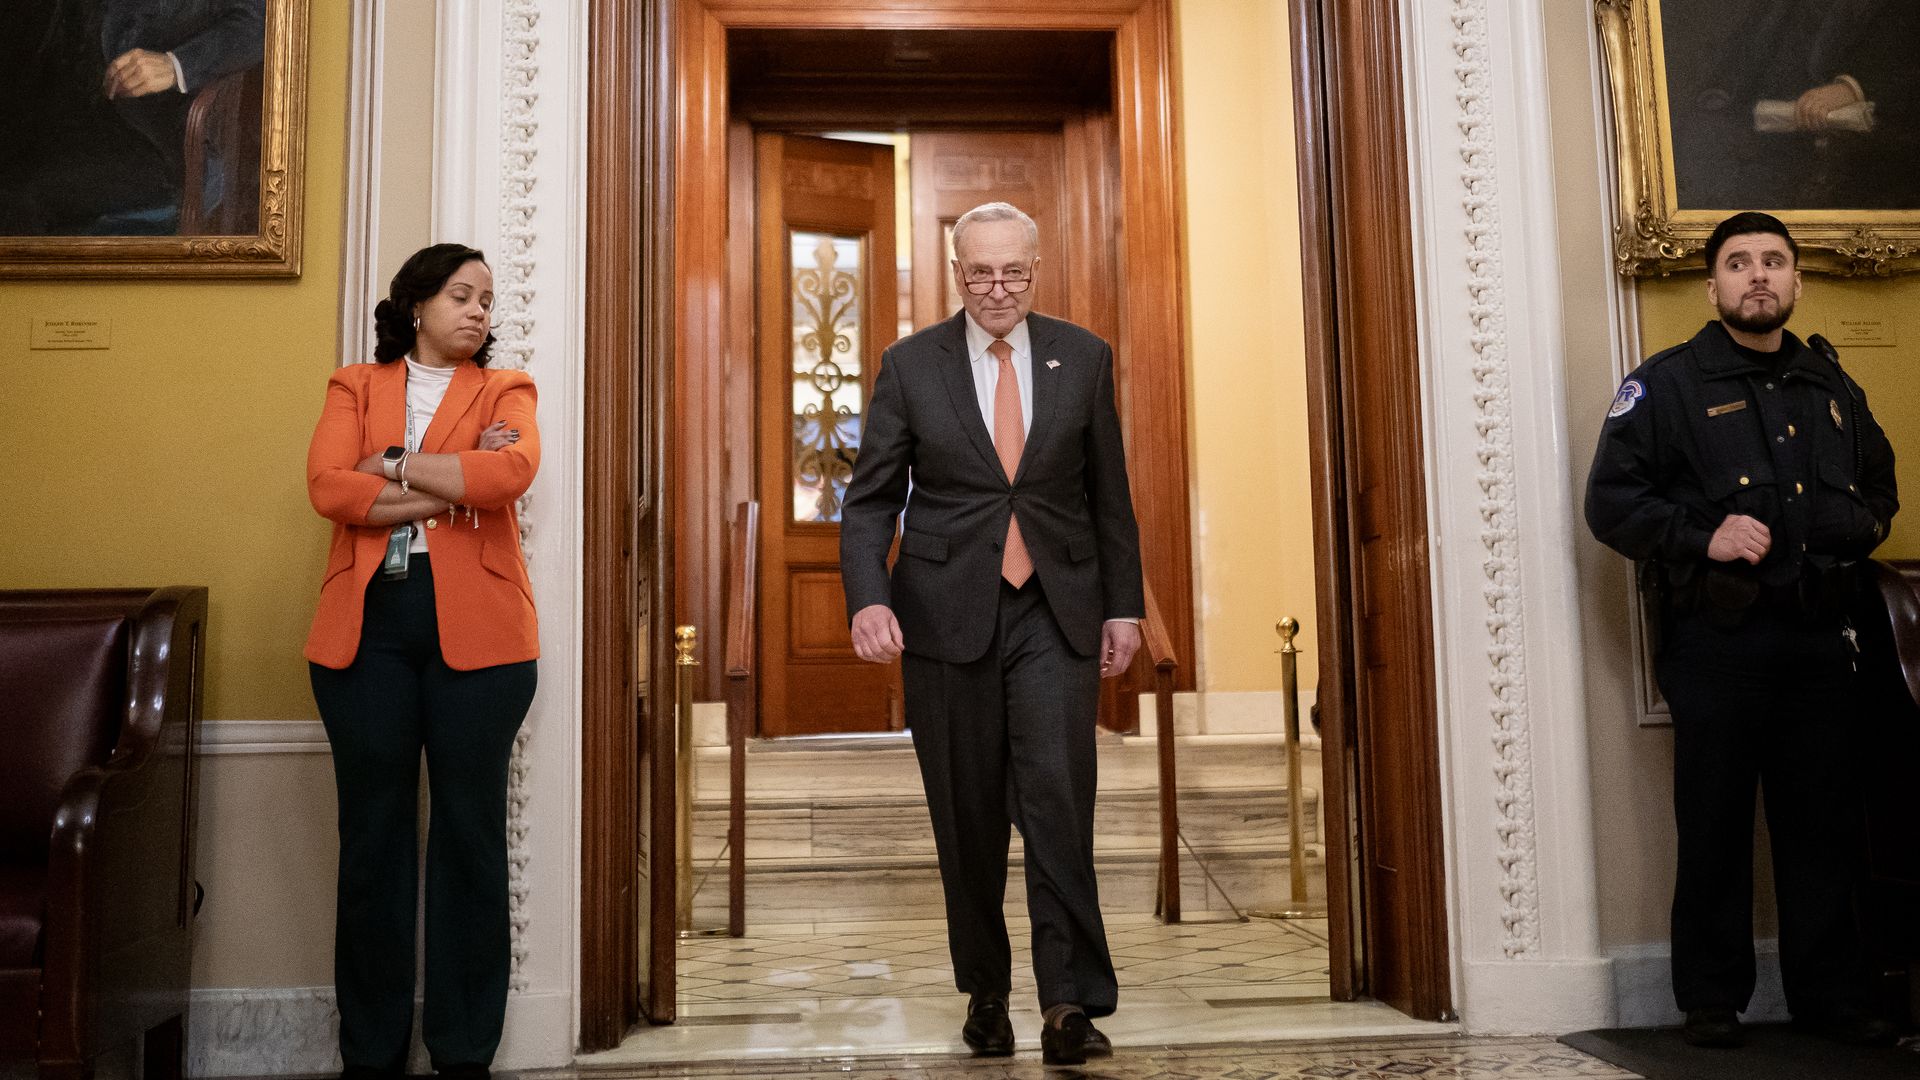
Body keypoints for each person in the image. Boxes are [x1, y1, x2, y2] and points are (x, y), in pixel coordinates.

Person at [839, 202, 1145, 1066]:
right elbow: (869, 501)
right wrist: (869, 598)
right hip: (943, 616)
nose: (998, 288)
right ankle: (986, 991)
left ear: (1036, 269)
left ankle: (1068, 1003)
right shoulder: (910, 365)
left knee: (1057, 803)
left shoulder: (1083, 357)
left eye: (1014, 272)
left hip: (1057, 609)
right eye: (981, 273)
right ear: (956, 272)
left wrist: (1125, 603)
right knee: (967, 816)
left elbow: (1109, 496)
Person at [1586, 212, 1898, 1049]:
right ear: (1713, 284)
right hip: (1718, 644)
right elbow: (1611, 504)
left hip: (1820, 640)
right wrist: (1703, 537)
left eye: (1773, 262)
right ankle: (1713, 1000)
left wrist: (1853, 531)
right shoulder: (1668, 384)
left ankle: (1832, 997)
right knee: (1716, 823)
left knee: (1821, 825)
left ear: (1795, 281)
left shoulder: (1829, 384)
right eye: (1738, 263)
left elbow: (1879, 486)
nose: (1757, 276)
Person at [305, 244, 541, 1079]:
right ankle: (370, 1056)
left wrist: (395, 467)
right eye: (459, 296)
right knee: (372, 841)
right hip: (364, 632)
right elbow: (329, 488)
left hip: (481, 640)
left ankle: (464, 1053)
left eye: (485, 300)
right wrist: (452, 484)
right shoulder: (354, 386)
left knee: (470, 840)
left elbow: (508, 472)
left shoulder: (506, 389)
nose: (477, 311)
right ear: (416, 306)